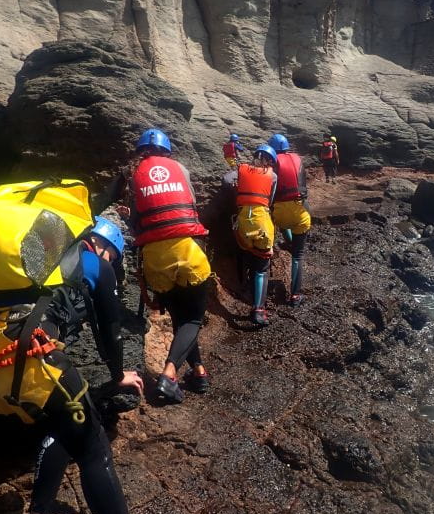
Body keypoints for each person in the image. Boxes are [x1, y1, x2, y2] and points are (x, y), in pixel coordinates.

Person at [0, 216, 142, 514]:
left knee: (66, 421)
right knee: (94, 448)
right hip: (22, 353)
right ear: (103, 245)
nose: (110, 264)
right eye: (113, 257)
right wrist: (117, 373)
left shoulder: (34, 259)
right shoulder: (94, 262)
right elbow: (111, 332)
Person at [96, 128, 212, 403]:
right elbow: (190, 202)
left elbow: (135, 216)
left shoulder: (132, 174)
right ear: (167, 151)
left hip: (154, 259)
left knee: (180, 319)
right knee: (193, 319)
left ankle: (199, 371)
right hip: (187, 250)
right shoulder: (179, 169)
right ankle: (169, 376)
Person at [222, 144, 278, 325]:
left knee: (245, 252)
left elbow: (226, 179)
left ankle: (244, 286)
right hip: (261, 221)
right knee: (262, 266)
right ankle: (258, 310)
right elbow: (269, 200)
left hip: (243, 222)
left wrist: (236, 193)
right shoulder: (273, 175)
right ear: (270, 160)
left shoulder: (241, 169)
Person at [266, 133, 312, 307]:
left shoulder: (273, 161)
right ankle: (295, 296)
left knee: (278, 220)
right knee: (298, 256)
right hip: (300, 212)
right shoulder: (297, 158)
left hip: (278, 214)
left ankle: (286, 241)